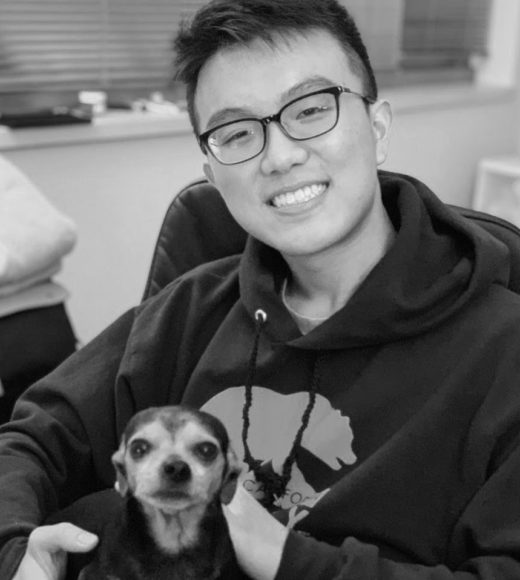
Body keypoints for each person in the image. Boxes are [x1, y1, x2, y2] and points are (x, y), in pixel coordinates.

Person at [2, 0, 520, 578]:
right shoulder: (188, 312)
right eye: (237, 132)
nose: (280, 156)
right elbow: (27, 440)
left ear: (377, 129)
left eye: (311, 110)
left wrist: (288, 559)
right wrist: (15, 551)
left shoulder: (503, 351)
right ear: (213, 175)